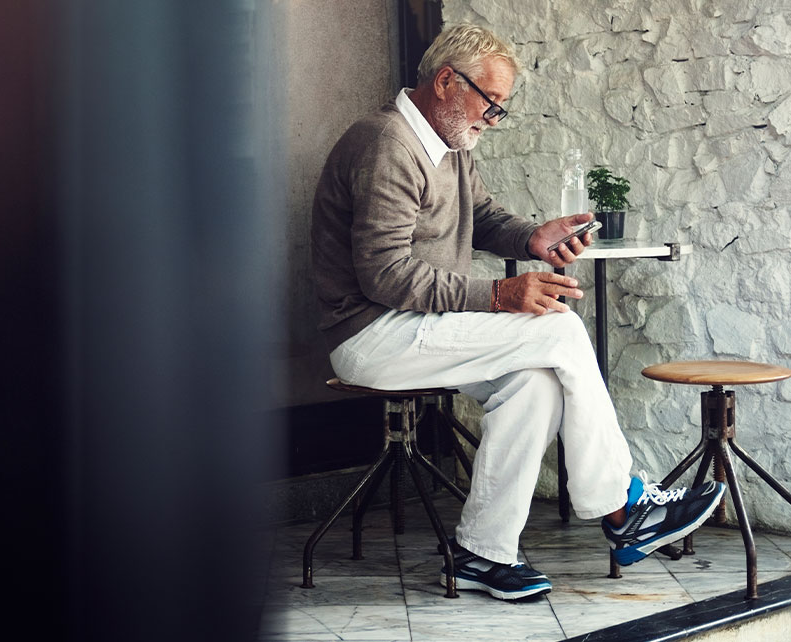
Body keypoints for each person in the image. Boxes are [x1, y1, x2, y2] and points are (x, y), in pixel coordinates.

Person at [309, 23, 725, 601]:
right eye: (492, 102)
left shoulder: (446, 145)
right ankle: (622, 504)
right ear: (447, 82)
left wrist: (535, 237)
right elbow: (385, 274)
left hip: (421, 327)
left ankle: (481, 553)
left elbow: (479, 217)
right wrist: (499, 296)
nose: (494, 117)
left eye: (501, 107)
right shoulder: (388, 144)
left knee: (535, 385)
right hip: (372, 334)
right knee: (558, 328)